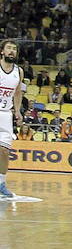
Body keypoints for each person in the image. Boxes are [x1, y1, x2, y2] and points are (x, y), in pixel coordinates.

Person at [0, 41, 23, 200]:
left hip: (5, 114)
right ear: (2, 51)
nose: (12, 51)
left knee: (4, 151)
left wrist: (18, 110)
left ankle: (1, 183)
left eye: (14, 49)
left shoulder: (19, 71)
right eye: (9, 48)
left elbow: (17, 93)